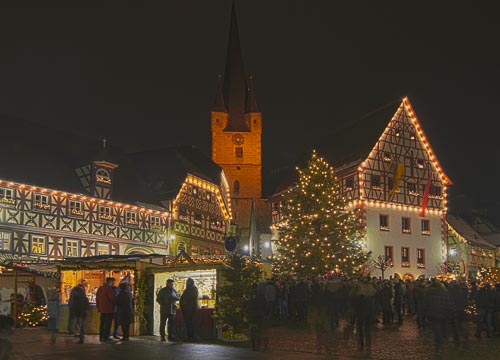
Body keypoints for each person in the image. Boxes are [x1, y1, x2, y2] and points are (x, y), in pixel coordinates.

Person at [67, 279, 89, 344]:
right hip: (78, 309)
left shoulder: (76, 289)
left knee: (74, 319)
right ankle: (77, 333)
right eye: (85, 284)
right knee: (78, 321)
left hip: (74, 307)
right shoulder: (79, 290)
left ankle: (73, 331)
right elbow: (83, 300)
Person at [96, 277, 116, 342]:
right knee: (108, 324)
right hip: (109, 309)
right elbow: (112, 299)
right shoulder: (109, 289)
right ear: (110, 282)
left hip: (102, 309)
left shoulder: (100, 288)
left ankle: (101, 337)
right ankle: (106, 337)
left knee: (102, 324)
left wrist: (98, 306)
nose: (113, 284)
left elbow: (97, 298)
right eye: (113, 282)